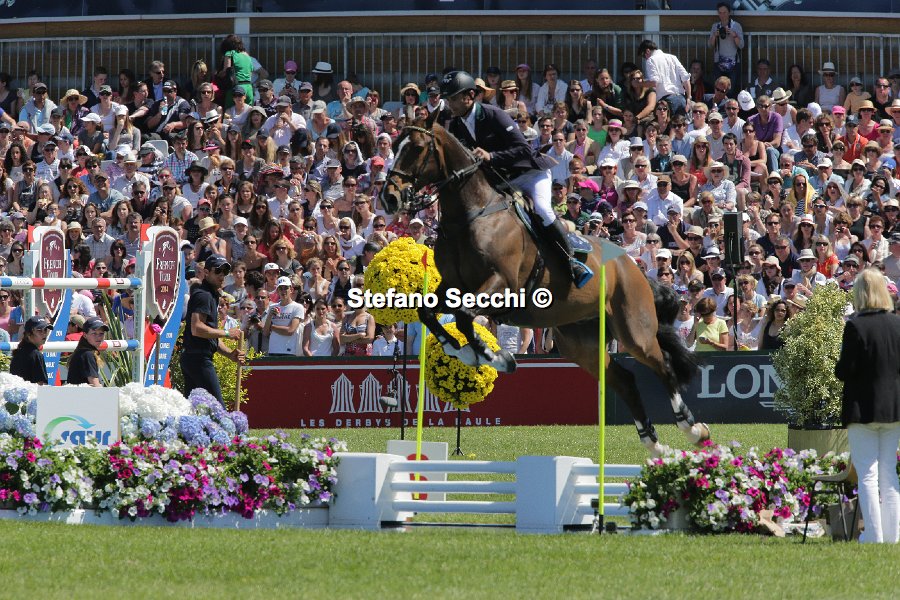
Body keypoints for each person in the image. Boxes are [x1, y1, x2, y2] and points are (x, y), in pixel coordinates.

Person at [440, 70, 592, 287]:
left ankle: (571, 261)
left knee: (542, 209)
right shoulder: (456, 125)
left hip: (530, 174)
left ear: (469, 96)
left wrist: (492, 156)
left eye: (453, 98)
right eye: (448, 99)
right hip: (502, 181)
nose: (449, 104)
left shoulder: (493, 115)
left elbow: (523, 149)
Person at [835, 267, 900, 544]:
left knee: (868, 475)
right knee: (888, 473)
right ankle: (893, 535)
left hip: (862, 409)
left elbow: (844, 371)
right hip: (893, 409)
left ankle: (873, 535)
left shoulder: (855, 326)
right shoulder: (897, 324)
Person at [179, 255, 245, 404]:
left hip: (194, 358)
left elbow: (209, 334)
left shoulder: (210, 295)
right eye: (218, 271)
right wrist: (227, 333)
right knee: (218, 408)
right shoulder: (204, 295)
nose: (222, 275)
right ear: (206, 272)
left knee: (193, 410)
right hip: (198, 360)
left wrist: (229, 354)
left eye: (225, 271)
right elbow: (197, 328)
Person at [638, 39, 690, 117]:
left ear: (647, 51)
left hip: (667, 101)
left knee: (665, 124)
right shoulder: (673, 57)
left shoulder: (651, 60)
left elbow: (654, 82)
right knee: (681, 124)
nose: (645, 58)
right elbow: (686, 78)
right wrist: (688, 98)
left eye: (643, 55)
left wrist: (639, 84)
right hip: (681, 99)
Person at [264, 276, 305, 356]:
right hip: (273, 350)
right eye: (280, 288)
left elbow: (290, 331)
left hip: (289, 352)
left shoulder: (298, 307)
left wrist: (271, 327)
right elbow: (265, 333)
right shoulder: (272, 307)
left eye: (286, 288)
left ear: (291, 290)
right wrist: (269, 316)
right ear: (277, 291)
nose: (283, 291)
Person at [65, 316, 109, 386]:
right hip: (82, 393)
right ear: (85, 335)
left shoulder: (82, 351)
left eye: (101, 334)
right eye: (94, 333)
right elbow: (95, 385)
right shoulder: (88, 354)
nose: (98, 337)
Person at [9, 316, 50, 384]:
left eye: (45, 330)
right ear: (29, 334)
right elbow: (40, 385)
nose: (44, 334)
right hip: (31, 390)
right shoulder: (36, 355)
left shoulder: (18, 352)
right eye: (39, 330)